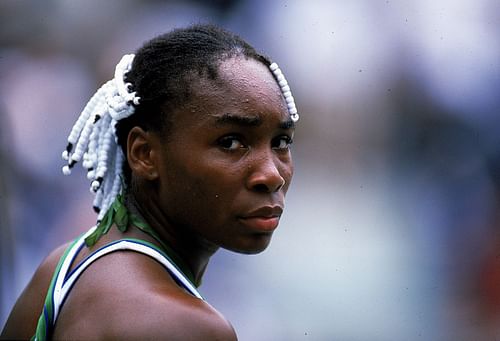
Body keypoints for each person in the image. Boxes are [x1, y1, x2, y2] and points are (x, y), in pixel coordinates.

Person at [1, 24, 298, 340]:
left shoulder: (63, 267)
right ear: (144, 154)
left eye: (280, 142)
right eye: (230, 142)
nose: (272, 174)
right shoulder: (182, 326)